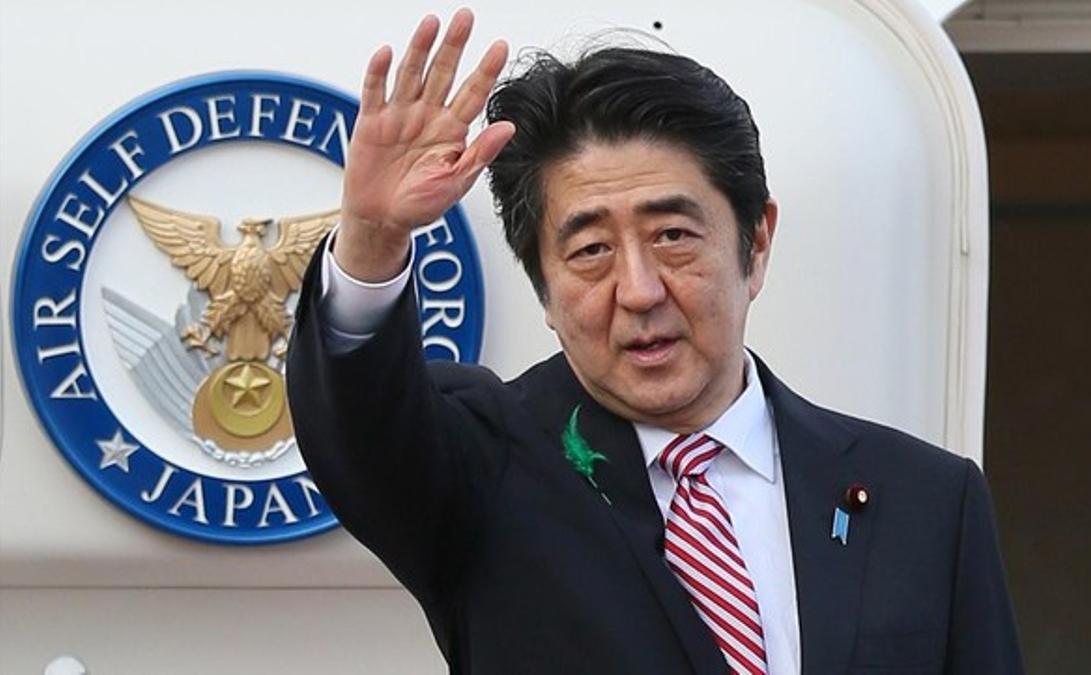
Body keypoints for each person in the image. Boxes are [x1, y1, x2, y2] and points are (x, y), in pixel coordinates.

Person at [286, 8, 1024, 674]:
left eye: (672, 236)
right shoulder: (485, 465)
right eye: (590, 251)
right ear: (543, 286)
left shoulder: (928, 499)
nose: (638, 290)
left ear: (756, 242)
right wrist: (373, 237)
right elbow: (364, 429)